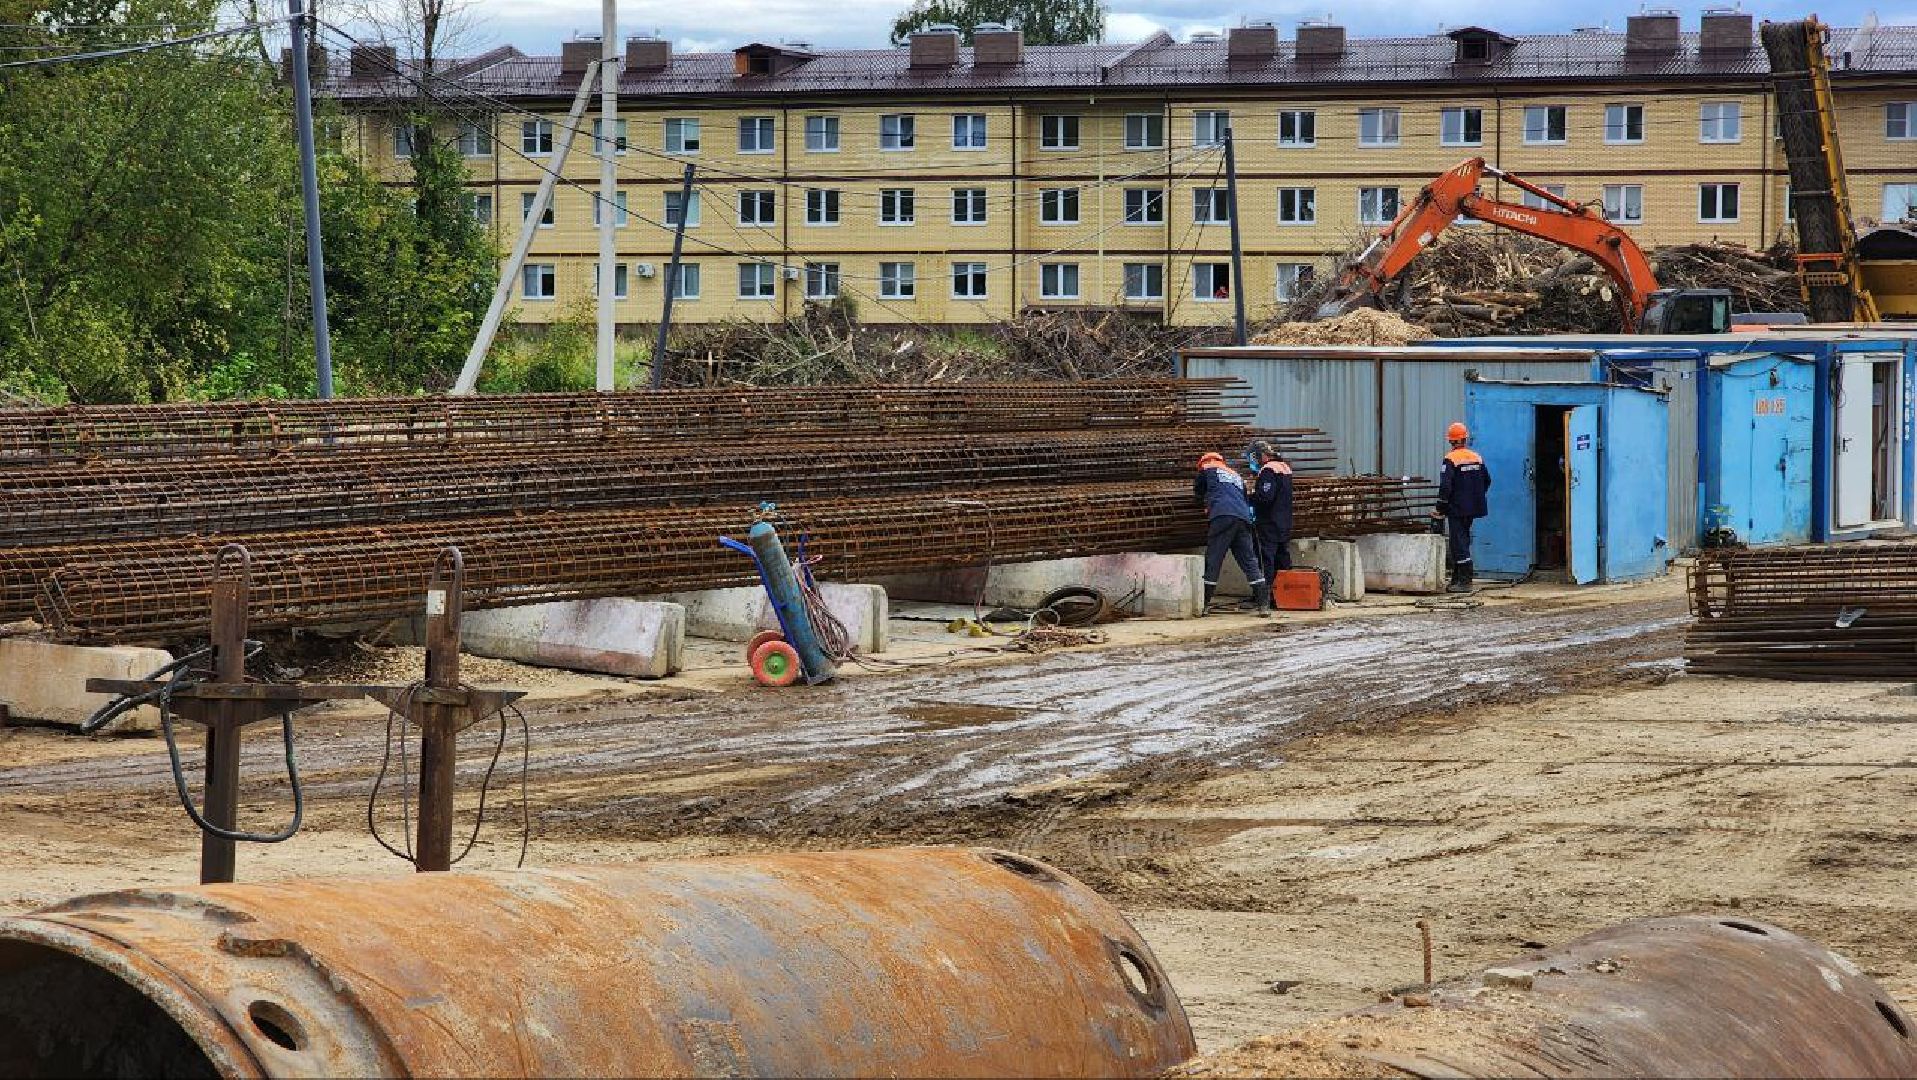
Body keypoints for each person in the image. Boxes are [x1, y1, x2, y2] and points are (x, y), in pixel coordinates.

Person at [1193, 452, 1270, 616]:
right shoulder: (1235, 475)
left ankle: (1204, 605)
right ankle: (1264, 605)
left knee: (1213, 559)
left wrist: (1206, 503)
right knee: (1249, 561)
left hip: (1222, 516)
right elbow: (1244, 497)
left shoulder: (1207, 469)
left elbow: (1198, 492)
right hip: (1243, 518)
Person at [1434, 421, 1491, 593]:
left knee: (1458, 543)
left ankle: (1465, 582)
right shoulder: (1477, 457)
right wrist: (1474, 497)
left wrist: (1441, 507)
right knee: (1463, 539)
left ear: (1451, 441)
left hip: (1457, 508)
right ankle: (1457, 579)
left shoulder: (1450, 459)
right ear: (1465, 439)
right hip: (1473, 508)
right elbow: (1487, 480)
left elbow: (1445, 487)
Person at [1246, 440, 1294, 586]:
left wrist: (1250, 498)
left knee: (1265, 558)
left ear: (1262, 456)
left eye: (1254, 458)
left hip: (1269, 524)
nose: (1253, 462)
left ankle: (1264, 596)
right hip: (1284, 522)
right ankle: (1284, 595)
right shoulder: (1284, 468)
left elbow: (1265, 498)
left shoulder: (1268, 470)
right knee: (1282, 558)